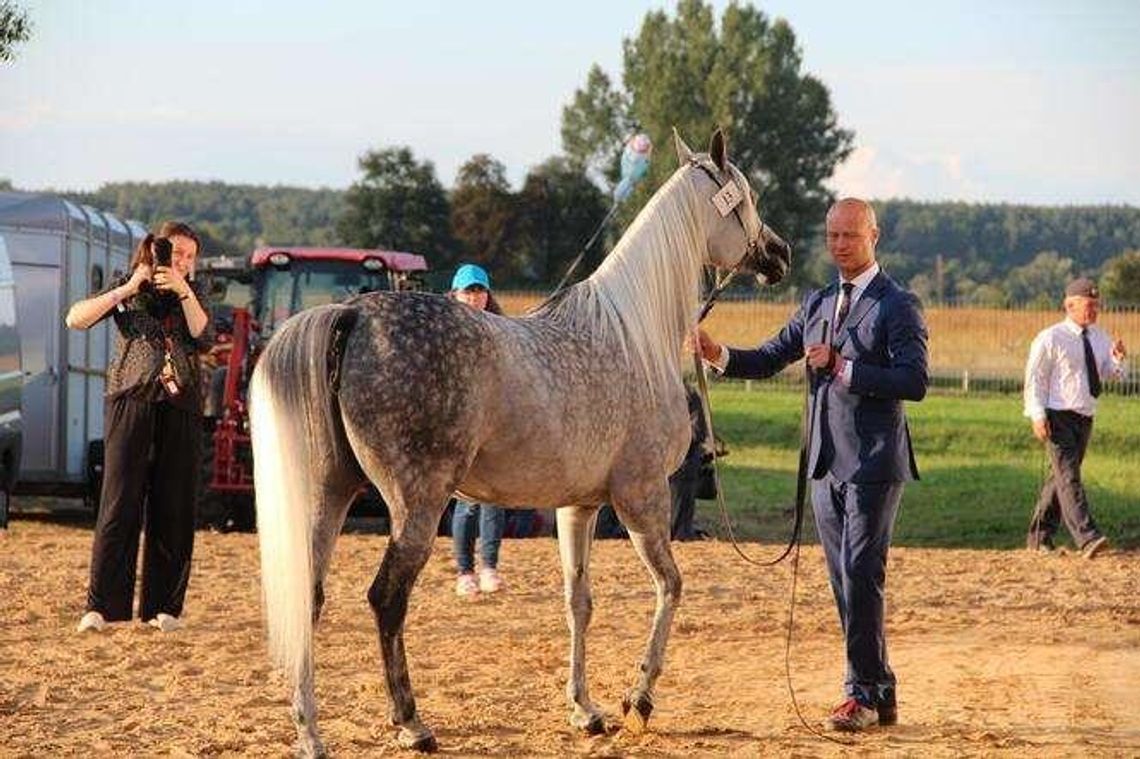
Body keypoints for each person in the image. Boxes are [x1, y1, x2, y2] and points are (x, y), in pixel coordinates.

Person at [694, 198, 928, 732]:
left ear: (874, 235)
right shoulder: (818, 303)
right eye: (832, 236)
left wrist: (846, 368)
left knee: (861, 574)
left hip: (873, 463)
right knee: (844, 582)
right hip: (824, 465)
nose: (839, 244)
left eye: (850, 235)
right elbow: (771, 355)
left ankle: (860, 695)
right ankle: (880, 689)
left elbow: (914, 382)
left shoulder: (899, 305)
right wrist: (717, 353)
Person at [66, 221, 213, 633]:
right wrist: (128, 288)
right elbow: (74, 319)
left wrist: (183, 289)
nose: (181, 260)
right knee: (118, 502)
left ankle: (163, 608)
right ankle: (102, 607)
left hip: (180, 404)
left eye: (189, 256)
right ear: (152, 248)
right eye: (174, 251)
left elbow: (204, 337)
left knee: (174, 506)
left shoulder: (195, 293)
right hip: (129, 399)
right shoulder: (127, 286)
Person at [1023, 277, 1126, 559]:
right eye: (1088, 305)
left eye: (1096, 305)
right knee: (1069, 476)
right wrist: (1037, 414)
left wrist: (1118, 360)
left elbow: (1109, 375)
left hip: (1085, 415)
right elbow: (1035, 379)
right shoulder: (1051, 338)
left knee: (1059, 479)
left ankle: (1039, 537)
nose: (1094, 310)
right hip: (1058, 415)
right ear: (1069, 305)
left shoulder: (1100, 337)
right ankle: (1087, 536)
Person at [448, 263, 510, 598]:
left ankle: (489, 567)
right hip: (461, 426)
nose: (474, 298)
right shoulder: (446, 329)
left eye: (479, 291)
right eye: (468, 291)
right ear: (455, 293)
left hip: (496, 424)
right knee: (467, 501)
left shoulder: (500, 328)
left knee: (494, 499)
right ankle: (464, 572)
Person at [670, 383, 713, 541]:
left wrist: (675, 443)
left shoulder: (688, 394)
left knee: (682, 501)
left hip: (685, 459)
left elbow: (698, 431)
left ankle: (681, 533)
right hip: (665, 461)